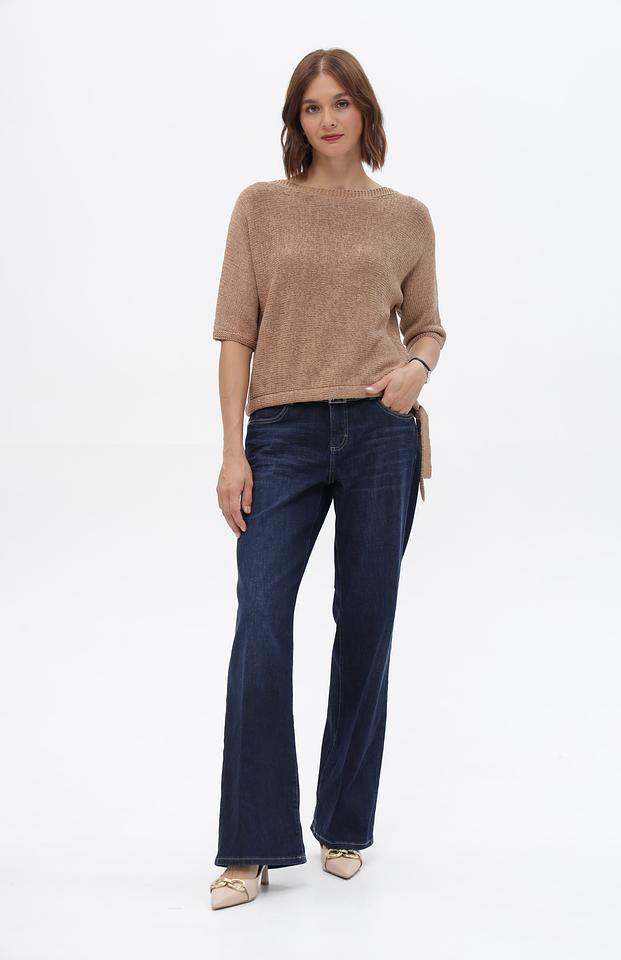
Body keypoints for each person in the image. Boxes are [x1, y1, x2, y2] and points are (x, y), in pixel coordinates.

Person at [209, 47, 447, 911]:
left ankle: (344, 823)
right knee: (262, 619)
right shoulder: (260, 207)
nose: (328, 119)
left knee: (367, 622)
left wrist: (417, 369)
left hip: (381, 431)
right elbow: (235, 333)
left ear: (364, 111)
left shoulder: (406, 216)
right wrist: (232, 451)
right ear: (296, 121)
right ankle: (251, 845)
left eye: (341, 103)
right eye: (312, 107)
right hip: (281, 434)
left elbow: (427, 326)